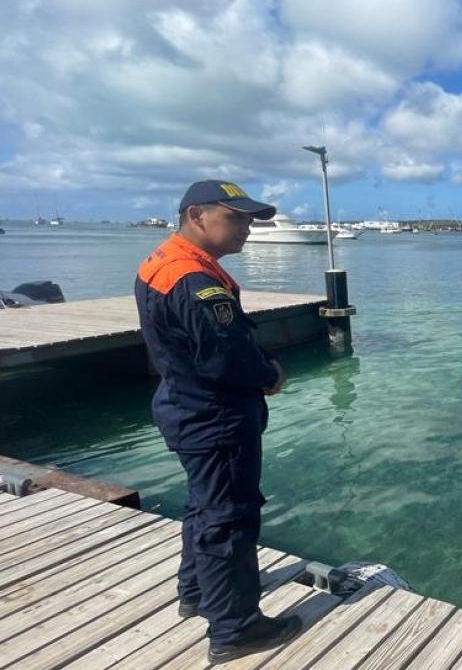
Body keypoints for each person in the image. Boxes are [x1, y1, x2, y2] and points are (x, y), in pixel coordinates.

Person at [135, 180, 300, 664]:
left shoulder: (164, 262)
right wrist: (268, 373)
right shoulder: (193, 280)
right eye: (238, 218)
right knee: (229, 517)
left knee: (205, 507)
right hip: (215, 416)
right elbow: (224, 356)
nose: (247, 228)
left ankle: (198, 593)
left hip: (186, 405)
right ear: (198, 216)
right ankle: (236, 628)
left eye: (249, 219)